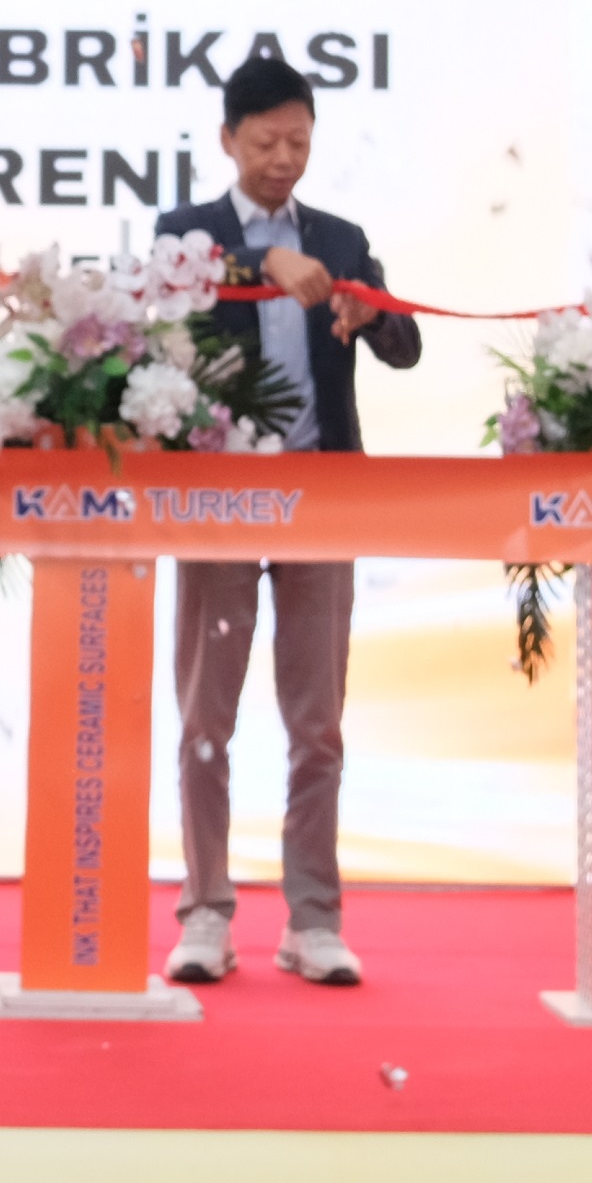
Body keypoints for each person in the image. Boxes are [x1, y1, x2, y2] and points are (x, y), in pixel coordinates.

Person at [154, 52, 420, 989]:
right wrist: (262, 261)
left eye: (298, 143)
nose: (282, 159)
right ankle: (206, 911)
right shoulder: (185, 229)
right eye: (265, 142)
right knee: (206, 718)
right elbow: (166, 284)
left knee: (317, 724)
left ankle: (313, 919)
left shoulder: (341, 237)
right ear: (228, 140)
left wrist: (367, 313)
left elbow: (406, 344)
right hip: (220, 498)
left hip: (320, 497)